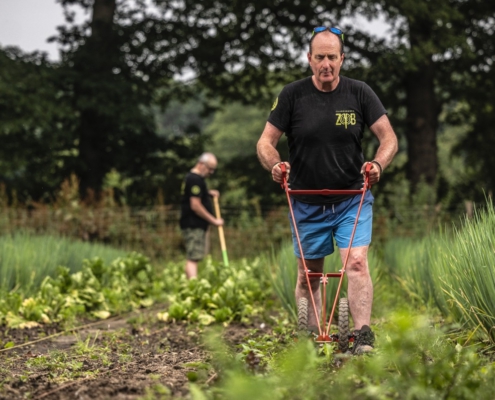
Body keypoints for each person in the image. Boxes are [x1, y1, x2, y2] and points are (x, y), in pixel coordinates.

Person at [256, 26, 398, 354]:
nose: (326, 64)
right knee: (309, 275)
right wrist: (276, 165)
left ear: (342, 59)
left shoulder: (360, 93)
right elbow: (265, 142)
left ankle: (362, 336)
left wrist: (377, 165)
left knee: (357, 263)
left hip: (352, 198)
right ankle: (311, 340)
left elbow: (389, 138)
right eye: (319, 57)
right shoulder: (292, 96)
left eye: (332, 57)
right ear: (309, 59)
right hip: (305, 201)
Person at [180, 152, 224, 279]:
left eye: (213, 169)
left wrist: (207, 193)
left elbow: (193, 194)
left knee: (193, 256)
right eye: (210, 168)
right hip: (193, 224)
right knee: (193, 258)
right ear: (201, 164)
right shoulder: (195, 179)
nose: (211, 172)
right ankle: (194, 290)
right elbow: (195, 205)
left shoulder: (193, 178)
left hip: (193, 224)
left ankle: (189, 286)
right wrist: (214, 221)